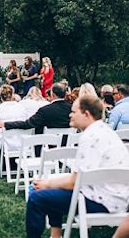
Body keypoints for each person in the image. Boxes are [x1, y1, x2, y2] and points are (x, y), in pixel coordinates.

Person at [26, 95, 129, 238]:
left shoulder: (89, 137)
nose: (70, 114)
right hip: (117, 197)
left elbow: (73, 182)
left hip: (101, 201)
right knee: (51, 188)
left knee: (36, 197)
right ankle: (55, 235)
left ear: (86, 114)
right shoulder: (104, 131)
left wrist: (47, 183)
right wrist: (49, 184)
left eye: (74, 112)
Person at [0, 83, 72, 135]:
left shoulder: (45, 110)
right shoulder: (72, 108)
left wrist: (5, 124)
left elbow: (27, 124)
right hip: (69, 146)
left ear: (53, 94)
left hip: (46, 148)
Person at [0, 85, 26, 179]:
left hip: (5, 143)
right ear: (12, 95)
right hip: (20, 141)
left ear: (0, 96)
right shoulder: (21, 107)